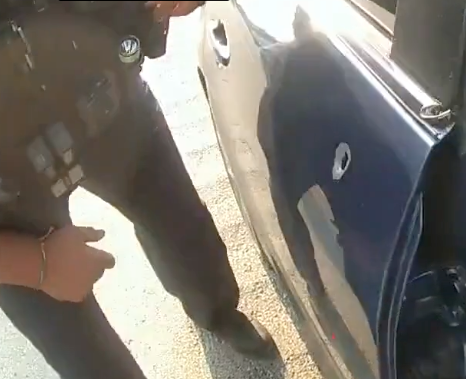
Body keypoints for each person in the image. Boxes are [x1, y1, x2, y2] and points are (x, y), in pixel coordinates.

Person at [0, 2, 276, 378]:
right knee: (89, 361)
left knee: (188, 238)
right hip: (9, 210)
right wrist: (38, 266)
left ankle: (217, 314)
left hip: (108, 103)